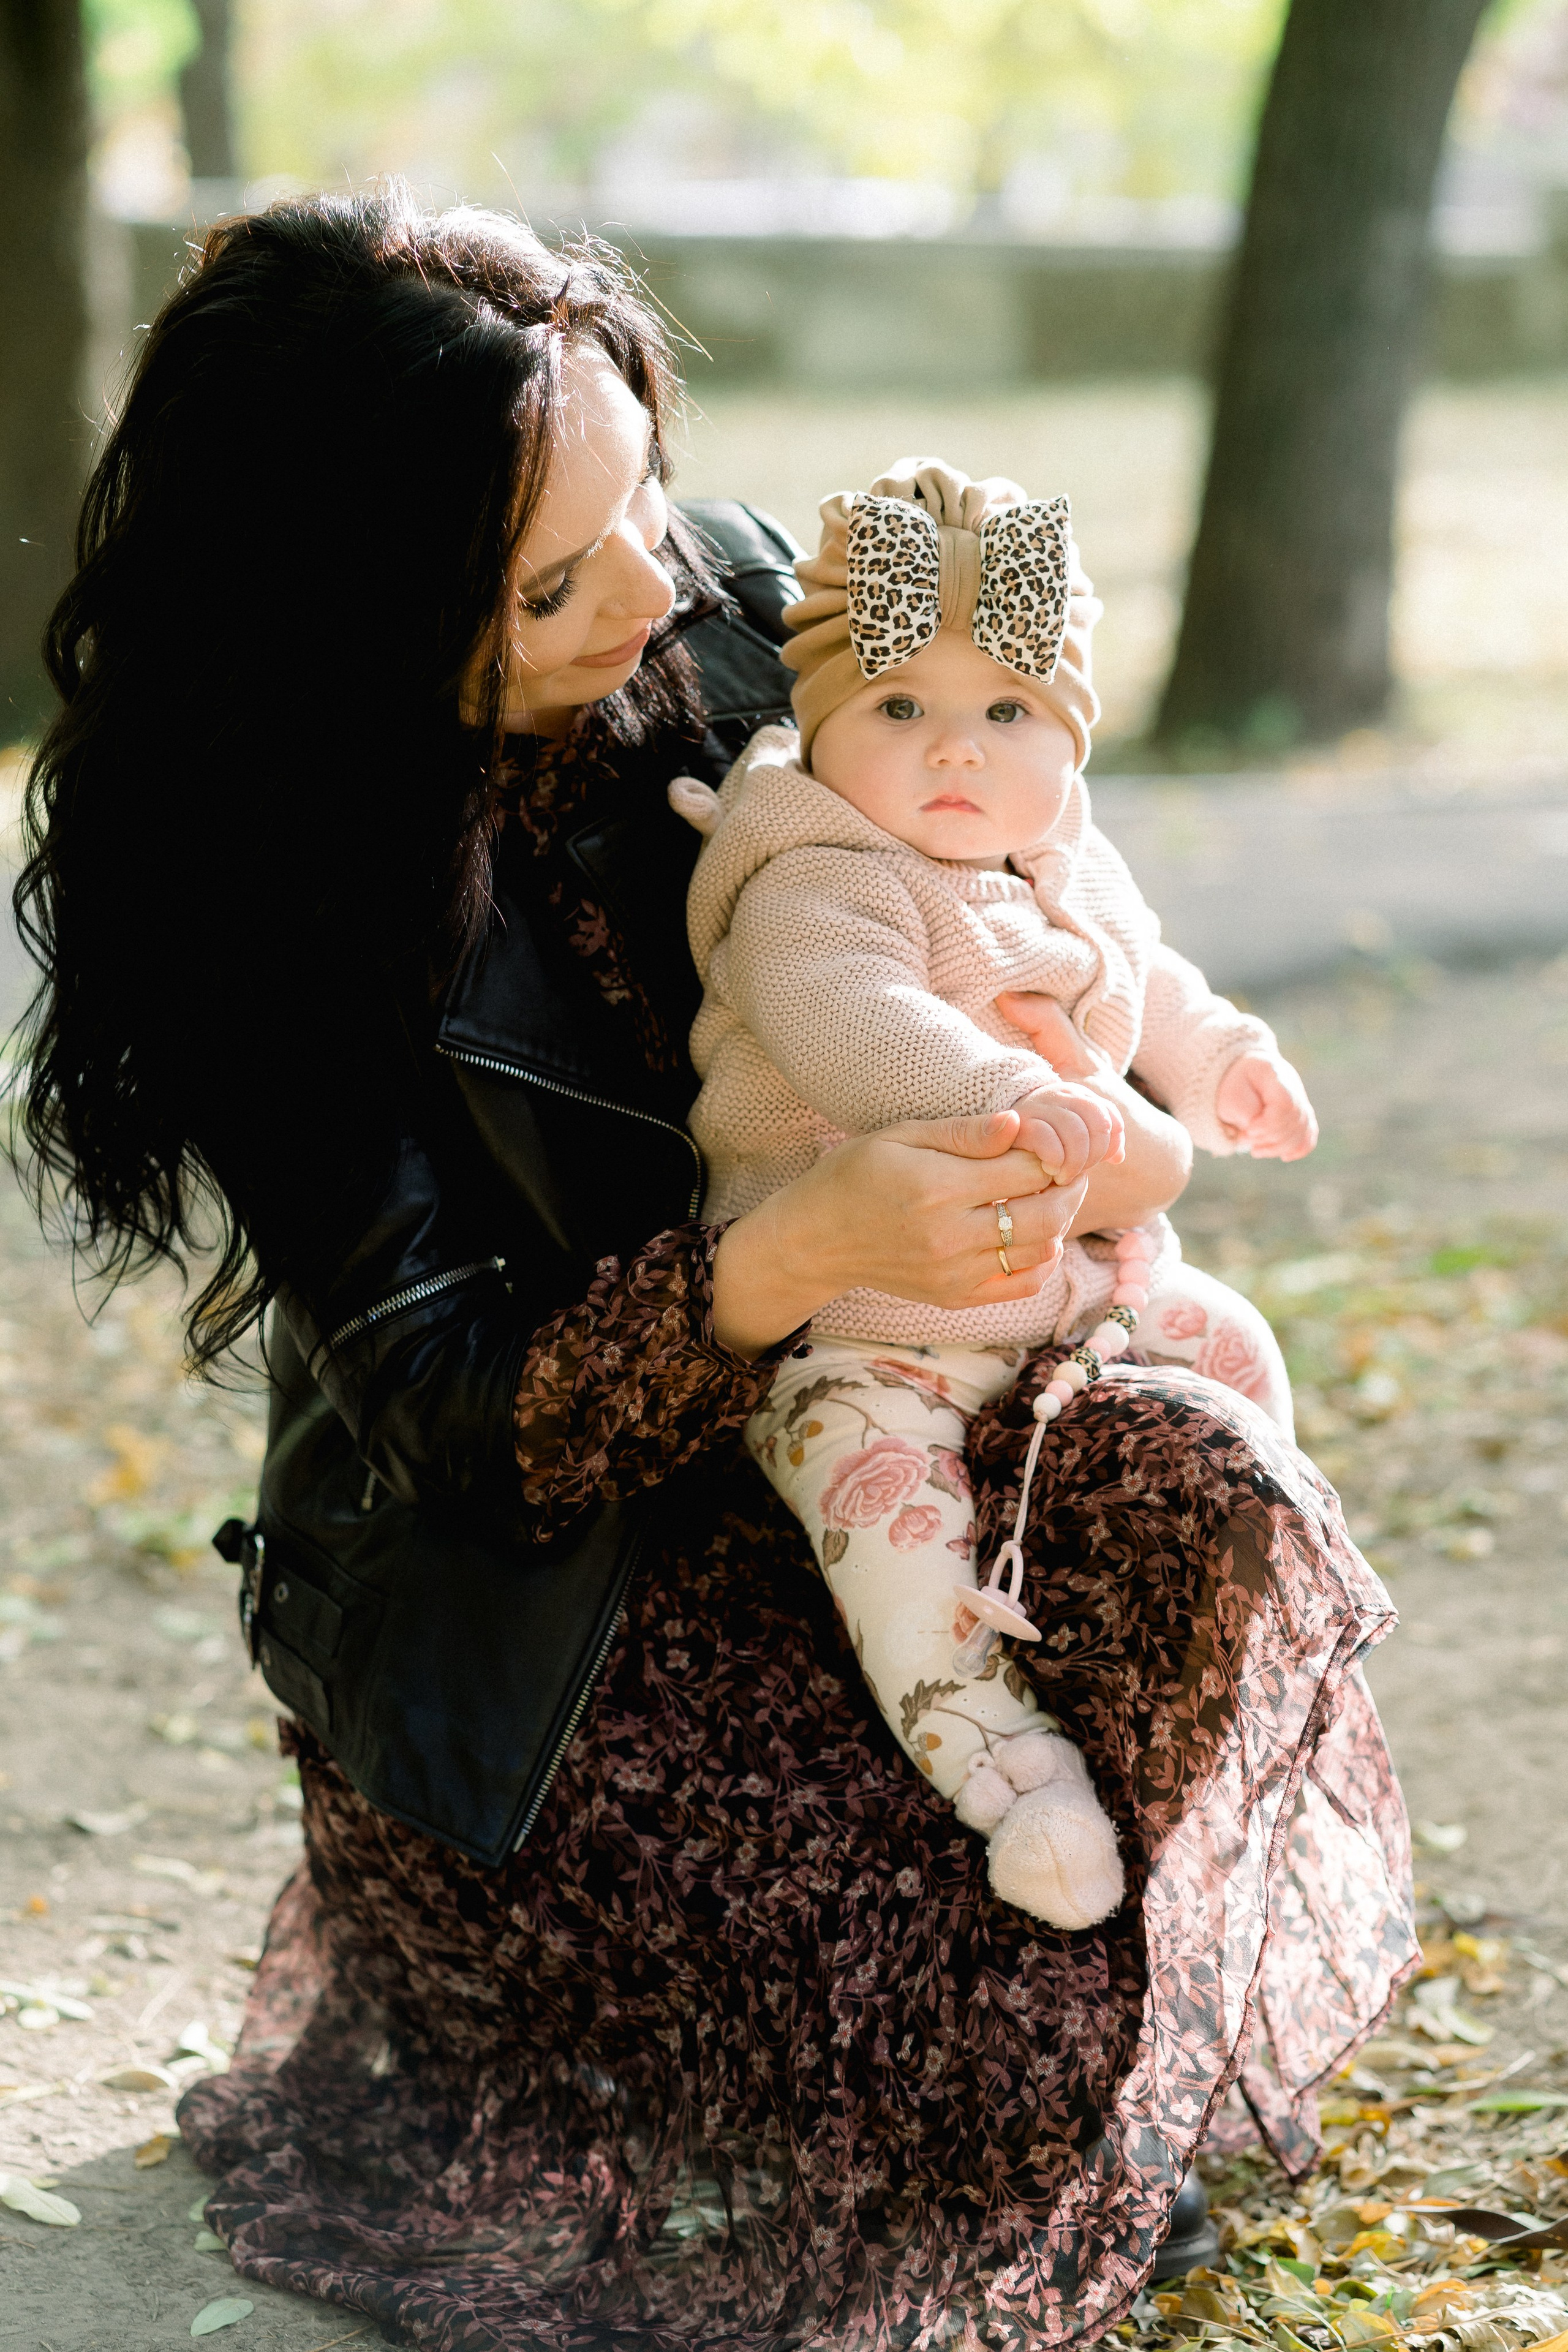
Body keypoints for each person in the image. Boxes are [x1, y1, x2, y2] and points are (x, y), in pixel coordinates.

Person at [9, 187, 1416, 2351]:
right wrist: (789, 1254)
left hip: (897, 1383)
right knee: (1008, 2048)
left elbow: (1037, 820)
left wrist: (1148, 1057)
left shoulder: (759, 605)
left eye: (644, 489)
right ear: (360, 632)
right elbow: (468, 1426)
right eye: (560, 580)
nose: (663, 584)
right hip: (560, 1612)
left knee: (1215, 1514)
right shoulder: (266, 910)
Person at [668, 458, 1321, 1934]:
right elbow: (851, 1018)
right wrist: (1006, 1094)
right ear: (819, 728)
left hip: (1070, 1288)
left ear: (1065, 743)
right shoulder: (814, 874)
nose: (952, 752)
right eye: (899, 710)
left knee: (1228, 1343)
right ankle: (1008, 1776)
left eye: (1005, 714)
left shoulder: (1056, 857)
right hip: (867, 1321)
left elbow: (1144, 976)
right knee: (886, 1519)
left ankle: (1261, 1628)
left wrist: (1217, 1063)